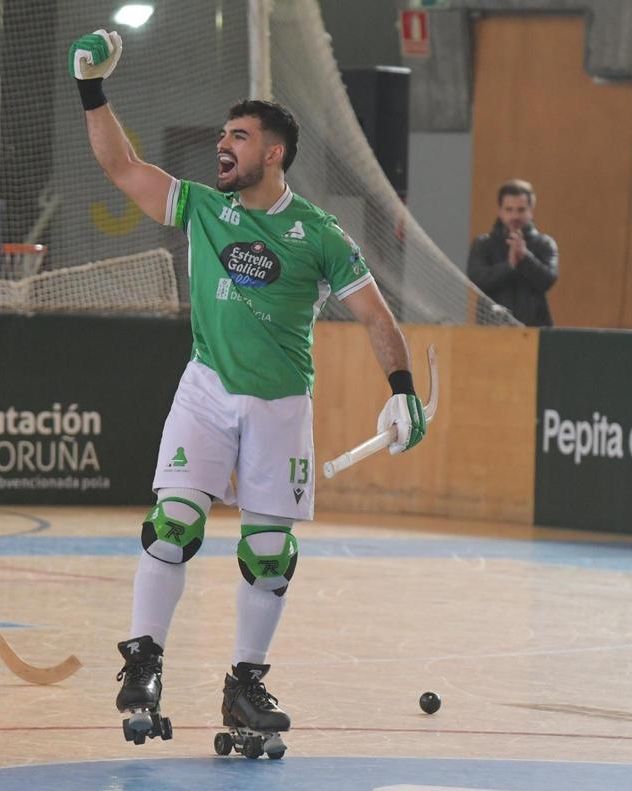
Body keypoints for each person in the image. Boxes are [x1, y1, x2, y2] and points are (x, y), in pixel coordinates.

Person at [69, 30, 427, 756]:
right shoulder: (201, 205)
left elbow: (376, 317)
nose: (223, 145)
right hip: (205, 388)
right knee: (172, 523)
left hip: (281, 404)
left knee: (270, 551)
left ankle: (246, 683)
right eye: (223, 134)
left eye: (239, 136)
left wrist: (402, 392)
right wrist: (90, 87)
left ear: (275, 153)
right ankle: (143, 661)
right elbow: (119, 163)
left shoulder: (319, 234)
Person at [467, 179, 558, 326]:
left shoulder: (544, 244)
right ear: (500, 211)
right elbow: (477, 280)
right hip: (491, 327)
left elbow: (548, 280)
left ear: (531, 211)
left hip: (533, 329)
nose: (515, 216)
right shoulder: (483, 244)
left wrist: (525, 256)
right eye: (509, 210)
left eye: (521, 210)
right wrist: (508, 266)